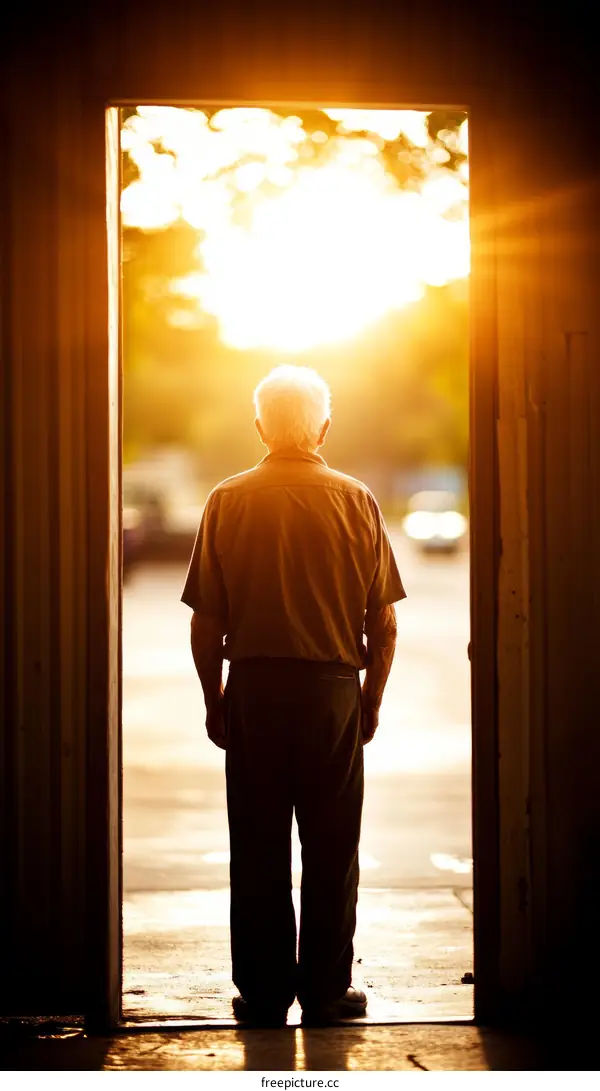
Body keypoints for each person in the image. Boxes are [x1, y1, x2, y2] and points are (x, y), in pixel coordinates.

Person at [181, 364, 405, 1026]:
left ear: (259, 426)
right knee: (333, 847)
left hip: (254, 688)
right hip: (332, 689)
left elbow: (206, 620)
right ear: (324, 427)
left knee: (256, 843)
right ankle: (327, 992)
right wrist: (372, 698)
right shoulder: (356, 499)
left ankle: (264, 990)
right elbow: (382, 621)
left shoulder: (227, 499)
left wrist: (213, 698)